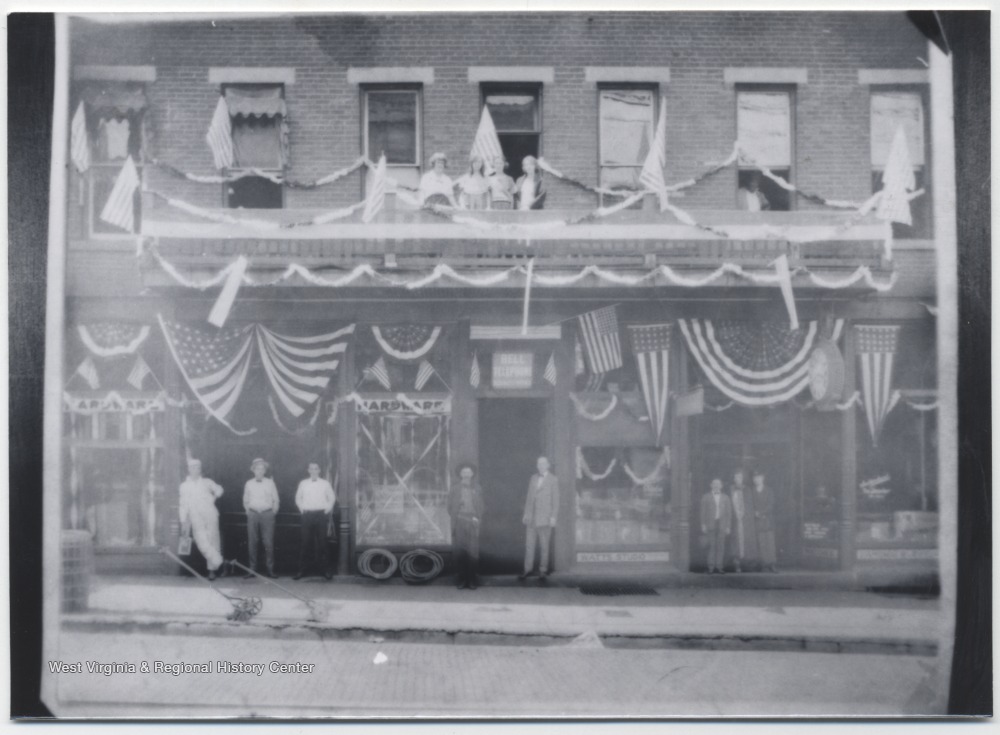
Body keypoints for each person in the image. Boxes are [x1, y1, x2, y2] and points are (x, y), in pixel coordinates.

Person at [178, 459, 225, 581]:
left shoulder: (207, 482)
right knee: (202, 542)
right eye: (193, 467)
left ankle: (212, 571)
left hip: (210, 513)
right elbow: (183, 504)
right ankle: (221, 562)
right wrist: (183, 521)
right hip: (195, 516)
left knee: (213, 540)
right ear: (189, 469)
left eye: (198, 468)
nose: (195, 470)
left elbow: (219, 489)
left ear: (200, 469)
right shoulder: (184, 486)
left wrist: (214, 497)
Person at [519, 456, 559, 581]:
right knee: (529, 545)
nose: (540, 466)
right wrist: (526, 514)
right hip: (531, 518)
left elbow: (556, 500)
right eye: (538, 464)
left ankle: (543, 570)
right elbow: (529, 498)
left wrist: (553, 517)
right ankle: (527, 569)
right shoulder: (533, 478)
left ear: (548, 465)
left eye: (543, 464)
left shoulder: (553, 479)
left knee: (544, 546)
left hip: (545, 518)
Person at [294, 462, 335, 580]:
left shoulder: (325, 483)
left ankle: (325, 570)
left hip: (320, 515)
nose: (314, 471)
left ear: (319, 470)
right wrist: (303, 510)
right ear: (308, 470)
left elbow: (331, 498)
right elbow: (298, 498)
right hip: (307, 515)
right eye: (311, 469)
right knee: (305, 543)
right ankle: (301, 571)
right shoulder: (303, 483)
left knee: (323, 543)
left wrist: (325, 511)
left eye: (316, 469)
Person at [448, 462, 484, 590]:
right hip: (459, 522)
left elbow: (481, 506)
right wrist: (457, 517)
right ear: (460, 474)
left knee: (473, 552)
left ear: (472, 474)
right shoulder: (454, 488)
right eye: (464, 472)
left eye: (469, 472)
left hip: (473, 522)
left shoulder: (477, 488)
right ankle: (462, 580)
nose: (466, 474)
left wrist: (477, 517)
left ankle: (472, 580)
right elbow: (449, 507)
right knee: (461, 552)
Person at [243, 457, 280, 578]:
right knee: (252, 542)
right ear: (253, 470)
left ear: (265, 471)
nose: (259, 471)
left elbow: (276, 500)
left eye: (262, 469)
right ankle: (252, 569)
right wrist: (248, 511)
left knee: (268, 542)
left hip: (267, 514)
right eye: (257, 469)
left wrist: (272, 512)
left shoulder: (270, 482)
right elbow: (245, 500)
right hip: (253, 514)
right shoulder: (248, 483)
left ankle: (270, 569)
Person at [700, 478, 732, 574]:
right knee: (712, 546)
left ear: (721, 486)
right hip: (710, 524)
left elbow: (729, 513)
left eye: (718, 484)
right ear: (711, 485)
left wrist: (728, 526)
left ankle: (719, 566)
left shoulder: (726, 498)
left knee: (721, 546)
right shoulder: (706, 497)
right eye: (714, 484)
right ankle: (711, 567)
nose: (716, 486)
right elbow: (702, 512)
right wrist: (703, 524)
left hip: (722, 525)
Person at [728, 469, 758, 573]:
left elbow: (750, 506)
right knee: (735, 541)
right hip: (734, 519)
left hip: (745, 520)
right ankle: (736, 563)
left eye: (740, 477)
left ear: (742, 479)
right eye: (736, 477)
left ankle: (746, 563)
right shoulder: (730, 489)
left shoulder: (747, 490)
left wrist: (746, 517)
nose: (738, 479)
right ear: (734, 478)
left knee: (746, 540)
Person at [752, 469, 778, 572]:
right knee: (760, 542)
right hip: (757, 520)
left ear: (763, 478)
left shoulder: (769, 490)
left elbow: (771, 505)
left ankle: (772, 564)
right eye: (755, 478)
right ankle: (763, 564)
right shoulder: (752, 491)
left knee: (770, 542)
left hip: (768, 520)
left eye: (758, 478)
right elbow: (750, 504)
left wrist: (761, 513)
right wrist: (755, 513)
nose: (756, 480)